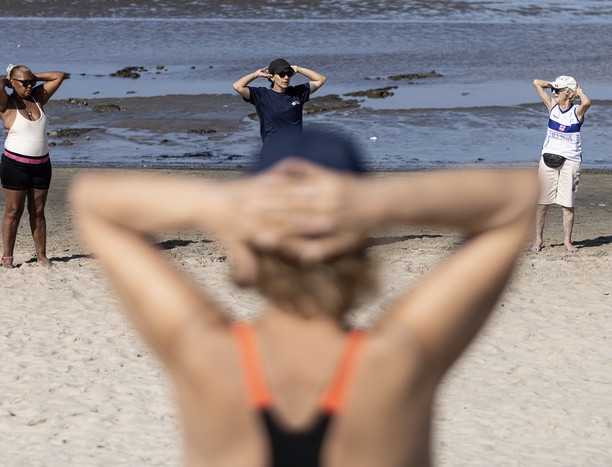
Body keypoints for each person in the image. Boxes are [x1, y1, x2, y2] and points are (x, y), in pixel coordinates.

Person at [70, 131, 538, 466]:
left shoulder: (205, 353)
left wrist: (216, 205)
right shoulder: (397, 362)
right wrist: (381, 203)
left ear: (249, 248)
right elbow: (517, 200)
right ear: (360, 243)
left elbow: (93, 201)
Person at [0, 64, 66, 268]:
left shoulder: (38, 99)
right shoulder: (7, 104)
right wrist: (10, 79)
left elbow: (58, 75)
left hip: (42, 165)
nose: (30, 86)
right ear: (12, 83)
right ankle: (7, 257)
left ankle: (41, 255)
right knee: (14, 211)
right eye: (24, 83)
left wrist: (32, 76)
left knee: (38, 212)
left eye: (32, 82)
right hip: (15, 166)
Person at [530, 75, 591, 253]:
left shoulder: (576, 113)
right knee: (542, 204)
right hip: (548, 160)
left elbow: (587, 103)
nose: (554, 93)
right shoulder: (552, 106)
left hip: (570, 163)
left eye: (558, 90)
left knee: (567, 206)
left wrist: (578, 91)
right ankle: (538, 241)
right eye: (553, 90)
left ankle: (567, 242)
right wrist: (553, 84)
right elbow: (536, 83)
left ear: (569, 93)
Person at [233, 58, 326, 145]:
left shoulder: (297, 93)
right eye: (281, 74)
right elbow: (237, 86)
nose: (286, 77)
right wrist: (256, 74)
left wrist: (298, 68)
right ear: (272, 77)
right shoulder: (262, 95)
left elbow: (321, 79)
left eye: (289, 74)